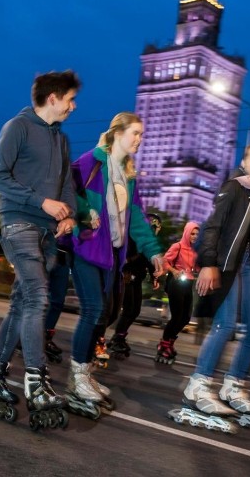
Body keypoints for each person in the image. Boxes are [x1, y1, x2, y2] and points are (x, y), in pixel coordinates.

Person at [0, 70, 79, 430]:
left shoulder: (61, 140)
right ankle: (36, 381)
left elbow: (66, 186)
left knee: (22, 303)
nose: (73, 105)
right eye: (70, 99)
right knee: (38, 297)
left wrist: (69, 216)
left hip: (48, 230)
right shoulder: (17, 127)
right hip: (18, 222)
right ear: (53, 97)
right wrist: (42, 202)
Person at [67, 112, 164, 418]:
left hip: (112, 254)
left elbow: (136, 216)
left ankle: (85, 371)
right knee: (94, 309)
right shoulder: (91, 162)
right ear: (117, 132)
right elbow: (67, 191)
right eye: (135, 133)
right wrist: (85, 213)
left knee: (106, 313)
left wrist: (153, 252)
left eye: (141, 134)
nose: (139, 139)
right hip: (86, 246)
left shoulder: (127, 173)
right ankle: (77, 376)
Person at [177, 142, 250, 428]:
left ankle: (233, 386)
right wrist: (209, 263)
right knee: (225, 324)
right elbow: (212, 227)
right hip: (226, 264)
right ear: (244, 160)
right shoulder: (234, 187)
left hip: (249, 268)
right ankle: (198, 384)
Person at [107, 213, 162, 359]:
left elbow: (150, 261)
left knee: (135, 310)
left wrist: (154, 277)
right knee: (126, 309)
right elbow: (125, 254)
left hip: (137, 278)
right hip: (126, 276)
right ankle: (114, 337)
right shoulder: (134, 237)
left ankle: (119, 336)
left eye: (156, 228)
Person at [157, 221, 200, 364]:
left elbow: (198, 267)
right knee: (176, 316)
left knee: (186, 318)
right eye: (192, 233)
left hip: (188, 283)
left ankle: (169, 342)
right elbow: (165, 261)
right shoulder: (178, 246)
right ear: (187, 233)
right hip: (176, 283)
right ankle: (163, 345)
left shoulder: (195, 251)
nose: (195, 236)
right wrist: (174, 271)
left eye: (197, 234)